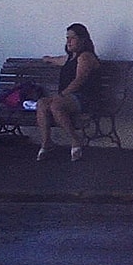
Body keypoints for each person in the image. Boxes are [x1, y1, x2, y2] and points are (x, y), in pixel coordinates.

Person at [31, 22, 99, 162]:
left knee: (56, 105)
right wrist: (48, 59)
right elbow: (58, 60)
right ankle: (46, 142)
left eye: (72, 38)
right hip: (69, 98)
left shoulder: (85, 57)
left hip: (84, 98)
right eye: (67, 38)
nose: (68, 41)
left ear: (82, 39)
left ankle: (75, 140)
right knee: (42, 103)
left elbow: (79, 80)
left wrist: (62, 95)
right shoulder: (70, 57)